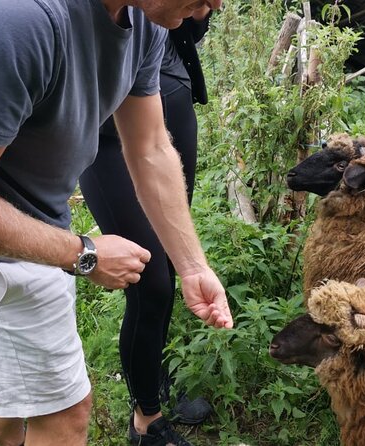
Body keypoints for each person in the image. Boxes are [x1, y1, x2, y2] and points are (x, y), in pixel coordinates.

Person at [0, 1, 233, 445]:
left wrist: (191, 265)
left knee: (18, 392)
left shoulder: (141, 18)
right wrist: (84, 255)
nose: (217, 5)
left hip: (32, 219)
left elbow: (149, 146)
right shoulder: (11, 19)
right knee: (66, 415)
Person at [80, 5, 213, 445]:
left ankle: (155, 380)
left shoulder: (151, 28)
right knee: (150, 278)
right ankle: (146, 421)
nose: (209, 6)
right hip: (107, 141)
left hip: (163, 115)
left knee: (174, 263)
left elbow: (192, 31)